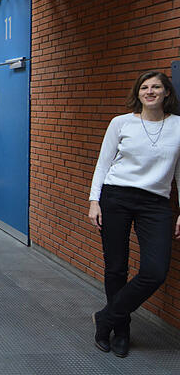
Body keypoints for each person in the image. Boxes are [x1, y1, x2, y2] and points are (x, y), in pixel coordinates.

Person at [88, 71, 180, 358]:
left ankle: (107, 318)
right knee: (116, 267)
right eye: (144, 87)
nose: (150, 91)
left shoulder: (178, 126)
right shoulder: (121, 123)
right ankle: (121, 331)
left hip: (156, 203)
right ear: (138, 93)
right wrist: (94, 200)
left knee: (155, 271)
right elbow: (103, 163)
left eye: (156, 87)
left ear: (167, 92)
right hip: (116, 197)